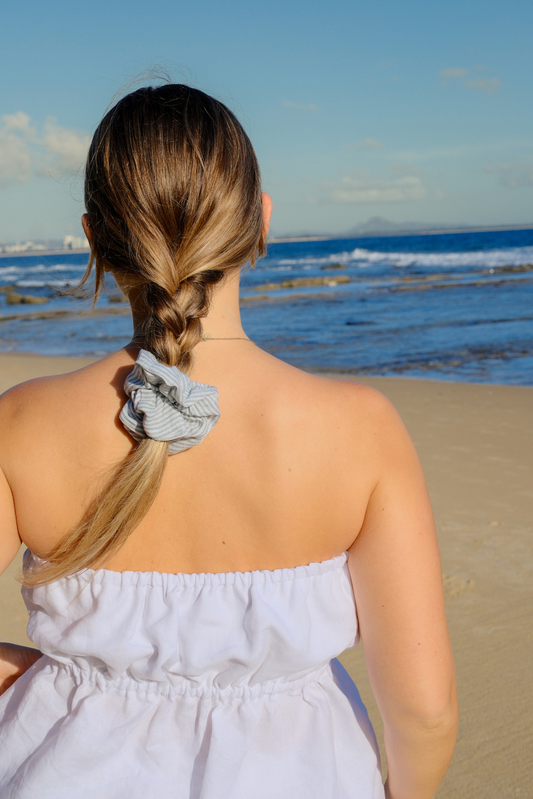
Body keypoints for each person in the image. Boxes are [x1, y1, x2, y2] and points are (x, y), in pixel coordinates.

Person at [0, 84, 457, 799]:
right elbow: (423, 711)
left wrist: (42, 675)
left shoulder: (21, 424)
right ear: (260, 221)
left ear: (93, 239)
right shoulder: (358, 427)